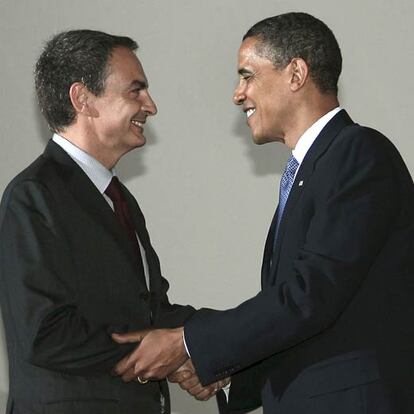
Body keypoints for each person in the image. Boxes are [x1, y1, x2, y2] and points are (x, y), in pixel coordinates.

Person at [111, 12, 414, 414]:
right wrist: (226, 368)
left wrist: (189, 343)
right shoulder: (313, 168)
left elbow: (310, 295)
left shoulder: (358, 153)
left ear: (296, 74)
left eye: (247, 75)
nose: (238, 94)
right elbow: (310, 318)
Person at [0, 29, 199, 414]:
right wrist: (153, 350)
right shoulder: (33, 195)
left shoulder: (119, 200)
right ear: (83, 99)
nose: (151, 106)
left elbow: (152, 312)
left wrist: (224, 336)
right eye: (135, 91)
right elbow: (45, 333)